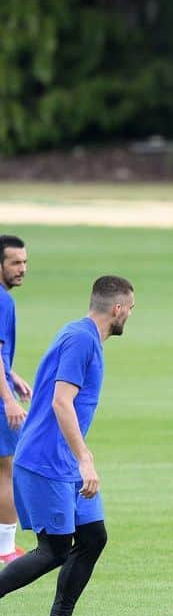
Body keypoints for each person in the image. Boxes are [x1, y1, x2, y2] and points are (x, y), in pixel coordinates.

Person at [0, 275, 135, 616]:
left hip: (64, 462)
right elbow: (62, 402)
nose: (130, 317)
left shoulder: (82, 334)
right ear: (118, 309)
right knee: (54, 550)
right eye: (131, 310)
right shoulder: (81, 340)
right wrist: (85, 458)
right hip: (48, 461)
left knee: (93, 538)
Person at [0, 235, 33, 565]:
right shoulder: (2, 301)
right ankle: (5, 548)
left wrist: (12, 374)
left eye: (24, 262)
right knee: (6, 471)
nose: (22, 269)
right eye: (14, 263)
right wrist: (8, 398)